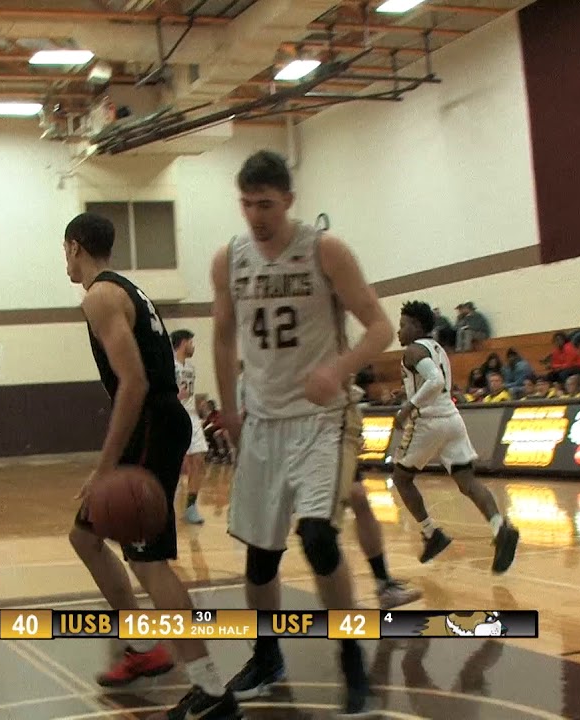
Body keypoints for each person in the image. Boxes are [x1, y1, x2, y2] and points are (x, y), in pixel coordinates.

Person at [211, 150, 393, 715]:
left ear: (288, 200)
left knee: (317, 538)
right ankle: (268, 656)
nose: (255, 215)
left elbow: (380, 327)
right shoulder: (229, 260)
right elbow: (222, 336)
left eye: (265, 204)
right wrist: (230, 411)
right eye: (246, 204)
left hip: (323, 417)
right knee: (260, 559)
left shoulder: (324, 250)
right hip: (262, 421)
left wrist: (338, 369)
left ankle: (350, 658)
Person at [62, 212, 239, 720]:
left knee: (147, 561)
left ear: (74, 247)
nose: (66, 261)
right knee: (86, 538)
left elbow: (134, 383)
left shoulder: (99, 297)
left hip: (151, 425)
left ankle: (210, 689)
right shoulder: (126, 289)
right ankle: (143, 650)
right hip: (156, 423)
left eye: (66, 252)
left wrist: (104, 466)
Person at [388, 300, 520, 571]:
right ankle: (499, 527)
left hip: (427, 422)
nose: (398, 331)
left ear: (416, 326)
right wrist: (407, 393)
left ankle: (431, 533)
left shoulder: (413, 350)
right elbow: (436, 383)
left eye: (402, 325)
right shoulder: (438, 349)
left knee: (401, 478)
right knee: (467, 480)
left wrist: (408, 406)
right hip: (452, 419)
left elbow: (434, 381)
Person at [342, 383, 424, 610]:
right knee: (314, 524)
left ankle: (384, 585)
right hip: (298, 428)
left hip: (332, 428)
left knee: (358, 498)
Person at [171, 329, 208, 525]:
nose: (193, 346)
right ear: (183, 343)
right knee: (173, 466)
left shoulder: (191, 368)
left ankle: (191, 506)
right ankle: (163, 505)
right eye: (191, 342)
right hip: (174, 417)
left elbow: (190, 394)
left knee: (200, 461)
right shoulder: (168, 366)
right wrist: (172, 397)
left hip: (192, 418)